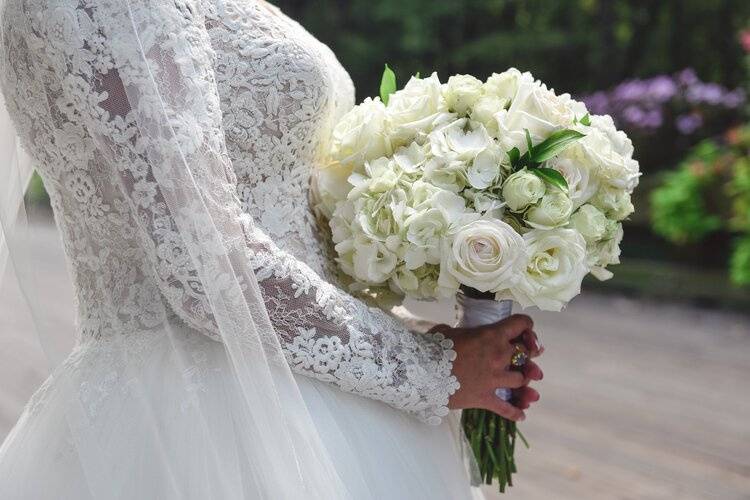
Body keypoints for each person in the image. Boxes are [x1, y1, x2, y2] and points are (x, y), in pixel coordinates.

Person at [0, 0, 542, 498]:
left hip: (304, 384)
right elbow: (201, 263)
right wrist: (431, 367)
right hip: (211, 415)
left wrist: (423, 325)